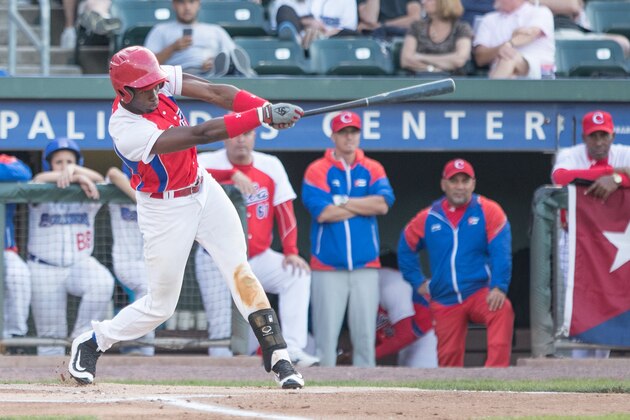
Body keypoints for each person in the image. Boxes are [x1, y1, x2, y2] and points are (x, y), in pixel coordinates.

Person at [67, 45, 305, 389]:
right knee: (161, 306)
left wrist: (264, 107)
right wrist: (262, 117)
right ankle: (93, 341)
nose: (155, 90)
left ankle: (278, 354)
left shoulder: (153, 79)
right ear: (125, 91)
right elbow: (200, 134)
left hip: (202, 188)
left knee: (239, 269)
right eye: (146, 88)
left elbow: (215, 92)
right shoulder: (125, 128)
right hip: (165, 209)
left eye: (156, 83)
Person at [196, 128, 319, 367]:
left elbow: (284, 210)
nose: (241, 139)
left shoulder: (270, 165)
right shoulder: (206, 161)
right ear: (224, 137)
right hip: (215, 259)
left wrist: (291, 251)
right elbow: (189, 174)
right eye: (234, 133)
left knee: (296, 274)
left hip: (257, 257)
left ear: (254, 137)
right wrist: (231, 174)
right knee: (221, 329)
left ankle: (292, 348)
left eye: (247, 133)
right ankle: (220, 373)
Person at [398, 158, 514, 367]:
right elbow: (405, 248)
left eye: (465, 180)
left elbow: (501, 253)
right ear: (444, 184)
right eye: (454, 181)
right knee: (448, 361)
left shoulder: (488, 210)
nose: (460, 186)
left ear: (473, 183)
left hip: (478, 291)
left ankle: (496, 375)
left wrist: (498, 286)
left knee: (501, 308)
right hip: (444, 297)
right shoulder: (429, 217)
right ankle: (451, 397)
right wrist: (418, 282)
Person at [301, 111, 395, 367]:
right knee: (326, 339)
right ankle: (321, 395)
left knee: (365, 336)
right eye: (343, 132)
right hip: (327, 266)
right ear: (333, 136)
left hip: (366, 265)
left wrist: (342, 200)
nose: (349, 137)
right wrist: (361, 205)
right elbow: (323, 212)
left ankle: (366, 398)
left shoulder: (372, 168)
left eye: (353, 132)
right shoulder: (317, 169)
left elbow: (383, 204)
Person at [551, 110, 630, 359]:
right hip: (572, 240)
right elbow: (561, 177)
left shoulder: (623, 153)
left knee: (606, 302)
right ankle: (574, 369)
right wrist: (613, 174)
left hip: (613, 243)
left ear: (612, 135)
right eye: (593, 136)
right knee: (575, 304)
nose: (598, 142)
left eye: (603, 135)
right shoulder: (569, 154)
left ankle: (598, 373)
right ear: (584, 136)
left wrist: (617, 177)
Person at [28, 139, 115, 356]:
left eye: (70, 160)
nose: (64, 165)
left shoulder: (89, 189)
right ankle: (51, 386)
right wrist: (76, 175)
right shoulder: (41, 188)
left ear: (79, 163)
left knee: (102, 281)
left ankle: (81, 339)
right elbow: (38, 179)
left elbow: (99, 178)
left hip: (79, 265)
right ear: (49, 165)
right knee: (50, 338)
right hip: (44, 268)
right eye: (59, 162)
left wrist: (76, 173)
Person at [106, 166, 155, 356]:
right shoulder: (122, 183)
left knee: (156, 294)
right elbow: (112, 173)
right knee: (148, 288)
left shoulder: (160, 188)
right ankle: (139, 346)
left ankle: (139, 346)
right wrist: (140, 200)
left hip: (150, 260)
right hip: (125, 260)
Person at [144, 0, 254, 77]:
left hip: (212, 76)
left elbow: (235, 55)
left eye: (191, 2)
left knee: (232, 63)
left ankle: (228, 71)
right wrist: (172, 48)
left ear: (198, 4)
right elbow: (147, 65)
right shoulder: (160, 30)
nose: (187, 7)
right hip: (179, 76)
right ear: (174, 4)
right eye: (181, 2)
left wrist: (214, 61)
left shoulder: (215, 30)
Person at [375, 251, 437, 368]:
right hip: (411, 334)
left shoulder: (392, 285)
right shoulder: (370, 287)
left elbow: (405, 335)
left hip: (429, 330)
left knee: (421, 378)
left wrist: (366, 356)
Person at [473, 0, 555, 79]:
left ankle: (490, 91)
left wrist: (509, 44)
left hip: (540, 70)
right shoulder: (488, 19)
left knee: (509, 57)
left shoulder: (541, 12)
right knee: (509, 66)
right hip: (501, 69)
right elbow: (480, 58)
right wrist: (501, 49)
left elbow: (531, 34)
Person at [0, 155, 32, 351]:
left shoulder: (4, 162)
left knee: (19, 276)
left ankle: (15, 337)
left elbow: (23, 173)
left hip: (4, 250)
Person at [400, 0, 473, 75]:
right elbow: (406, 60)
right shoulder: (416, 27)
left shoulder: (461, 28)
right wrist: (431, 69)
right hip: (419, 80)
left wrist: (420, 57)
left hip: (455, 82)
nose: (423, 2)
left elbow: (459, 60)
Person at [539, 0, 630, 57]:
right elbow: (571, 5)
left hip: (574, 31)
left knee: (621, 44)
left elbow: (572, 4)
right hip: (544, 35)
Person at [274, 0, 360, 50]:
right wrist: (306, 22)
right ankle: (296, 42)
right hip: (301, 37)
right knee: (284, 11)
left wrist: (323, 34)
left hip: (330, 42)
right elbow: (283, 14)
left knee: (352, 35)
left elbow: (349, 29)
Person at [357, 0, 422, 39]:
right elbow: (370, 18)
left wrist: (382, 25)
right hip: (374, 37)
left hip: (402, 36)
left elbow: (414, 19)